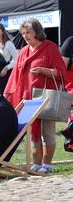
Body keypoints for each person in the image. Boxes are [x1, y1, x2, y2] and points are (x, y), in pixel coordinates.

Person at [4, 19, 67, 173]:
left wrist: (43, 71)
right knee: (33, 132)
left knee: (47, 131)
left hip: (46, 97)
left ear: (37, 32)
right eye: (23, 33)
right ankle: (36, 164)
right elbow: (15, 75)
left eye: (28, 32)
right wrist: (7, 92)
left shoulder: (50, 48)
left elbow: (62, 73)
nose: (25, 36)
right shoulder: (23, 51)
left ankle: (47, 164)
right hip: (28, 97)